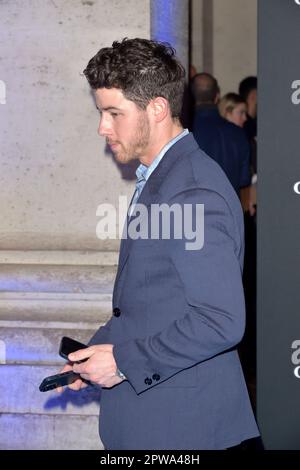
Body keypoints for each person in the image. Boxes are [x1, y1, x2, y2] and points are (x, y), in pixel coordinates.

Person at [58, 38, 259, 450]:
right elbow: (152, 299)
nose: (103, 127)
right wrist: (94, 355)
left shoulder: (192, 190)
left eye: (114, 113)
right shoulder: (164, 177)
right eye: (101, 113)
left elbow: (219, 320)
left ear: (157, 109)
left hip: (185, 431)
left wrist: (123, 362)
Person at [191, 73, 251, 196]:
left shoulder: (183, 132)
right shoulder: (237, 133)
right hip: (228, 208)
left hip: (195, 209)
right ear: (217, 96)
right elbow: (244, 179)